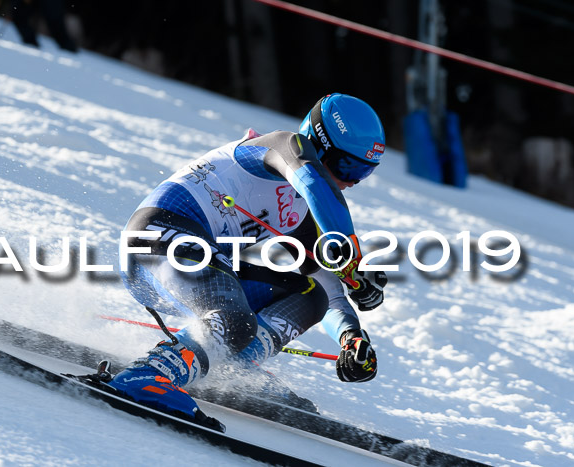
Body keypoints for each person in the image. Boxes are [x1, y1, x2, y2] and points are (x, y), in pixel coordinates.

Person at [108, 93, 389, 422]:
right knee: (235, 319)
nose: (351, 182)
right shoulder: (283, 147)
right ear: (319, 142)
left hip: (197, 266)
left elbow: (326, 283)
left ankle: (231, 371)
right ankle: (146, 376)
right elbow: (313, 180)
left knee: (310, 297)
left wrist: (351, 337)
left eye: (364, 172)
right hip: (154, 243)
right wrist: (349, 254)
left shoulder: (305, 211)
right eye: (348, 166)